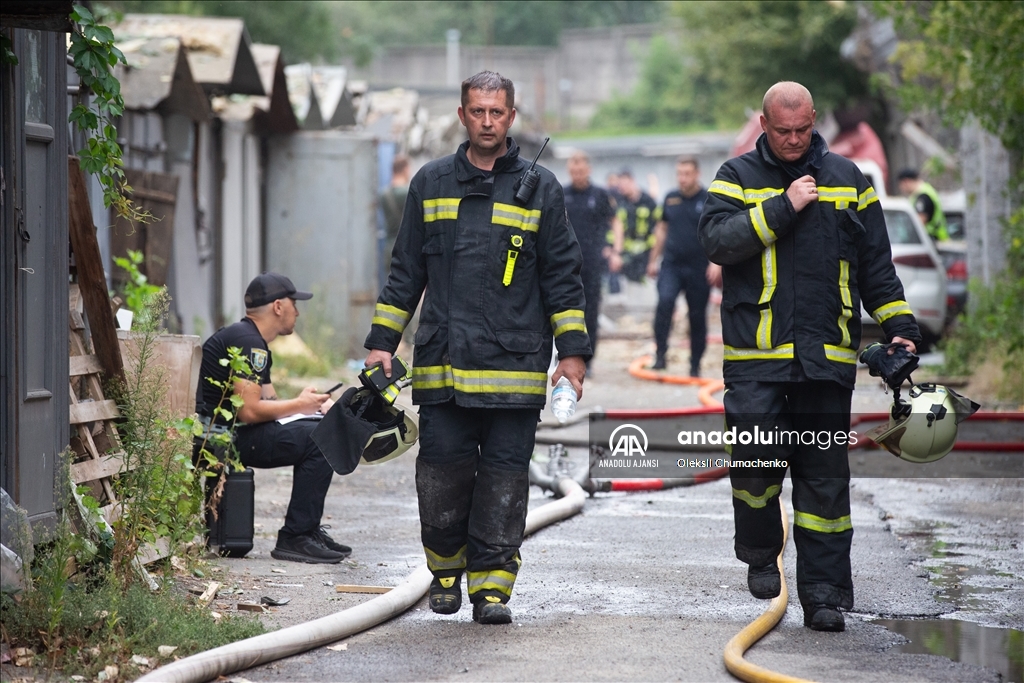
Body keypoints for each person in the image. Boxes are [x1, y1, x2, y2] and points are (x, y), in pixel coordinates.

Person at [363, 71, 591, 625]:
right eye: (477, 111)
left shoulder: (542, 189)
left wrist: (574, 355)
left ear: (512, 118)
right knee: (441, 474)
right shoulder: (430, 182)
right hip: (443, 367)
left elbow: (563, 277)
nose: (487, 121)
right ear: (462, 116)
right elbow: (405, 273)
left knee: (505, 481)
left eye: (497, 112)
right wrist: (380, 344)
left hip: (514, 370)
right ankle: (445, 574)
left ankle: (492, 589)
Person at [699, 82, 921, 632]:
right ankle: (758, 549)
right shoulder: (735, 177)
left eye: (802, 130)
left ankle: (823, 593)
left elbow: (876, 266)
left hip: (826, 360)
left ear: (814, 120)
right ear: (763, 125)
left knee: (824, 481)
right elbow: (717, 243)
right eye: (782, 131)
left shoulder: (849, 180)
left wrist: (901, 326)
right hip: (755, 359)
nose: (794, 140)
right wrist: (783, 207)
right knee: (756, 467)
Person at [195, 272, 350, 564]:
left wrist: (307, 407)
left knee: (322, 427)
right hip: (220, 439)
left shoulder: (251, 340)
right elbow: (251, 411)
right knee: (322, 437)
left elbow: (270, 404)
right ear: (278, 306)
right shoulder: (248, 342)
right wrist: (299, 405)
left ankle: (308, 530)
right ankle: (297, 537)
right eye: (294, 303)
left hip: (231, 433)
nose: (298, 311)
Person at [647, 156, 721, 375]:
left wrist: (715, 262)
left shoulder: (708, 199)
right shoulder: (670, 198)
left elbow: (716, 233)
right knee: (664, 303)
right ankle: (660, 355)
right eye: (680, 174)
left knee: (697, 316)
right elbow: (661, 230)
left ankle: (695, 364)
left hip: (698, 266)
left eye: (687, 174)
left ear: (697, 174)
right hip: (671, 265)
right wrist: (652, 261)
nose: (683, 179)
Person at [564, 150, 622, 372]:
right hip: (566, 264)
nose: (577, 174)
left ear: (588, 170)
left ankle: (588, 361)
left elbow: (616, 222)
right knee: (566, 311)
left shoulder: (599, 194)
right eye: (573, 170)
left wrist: (616, 251)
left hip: (592, 262)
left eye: (581, 170)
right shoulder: (562, 193)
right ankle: (566, 354)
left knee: (590, 312)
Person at [615, 169, 661, 283]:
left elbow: (659, 227)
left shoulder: (648, 201)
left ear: (632, 181)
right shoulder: (620, 203)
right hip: (627, 255)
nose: (622, 188)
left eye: (624, 184)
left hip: (646, 252)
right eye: (620, 185)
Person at [381, 155, 412, 276]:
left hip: (389, 247)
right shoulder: (409, 193)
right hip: (406, 248)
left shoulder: (384, 195)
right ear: (405, 169)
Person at [897, 168, 948, 241]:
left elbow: (919, 222)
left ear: (906, 181)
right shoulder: (922, 192)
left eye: (901, 185)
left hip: (934, 240)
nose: (901, 188)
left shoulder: (923, 196)